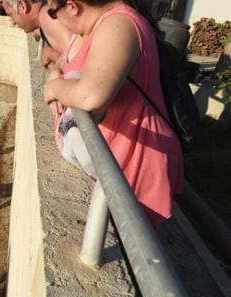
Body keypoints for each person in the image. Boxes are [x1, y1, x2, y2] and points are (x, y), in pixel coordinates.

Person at [42, 0, 184, 226]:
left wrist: (54, 89)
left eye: (52, 11)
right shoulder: (103, 25)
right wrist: (57, 73)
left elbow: (91, 96)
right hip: (117, 163)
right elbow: (73, 68)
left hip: (134, 162)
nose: (54, 19)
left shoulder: (119, 24)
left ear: (72, 6)